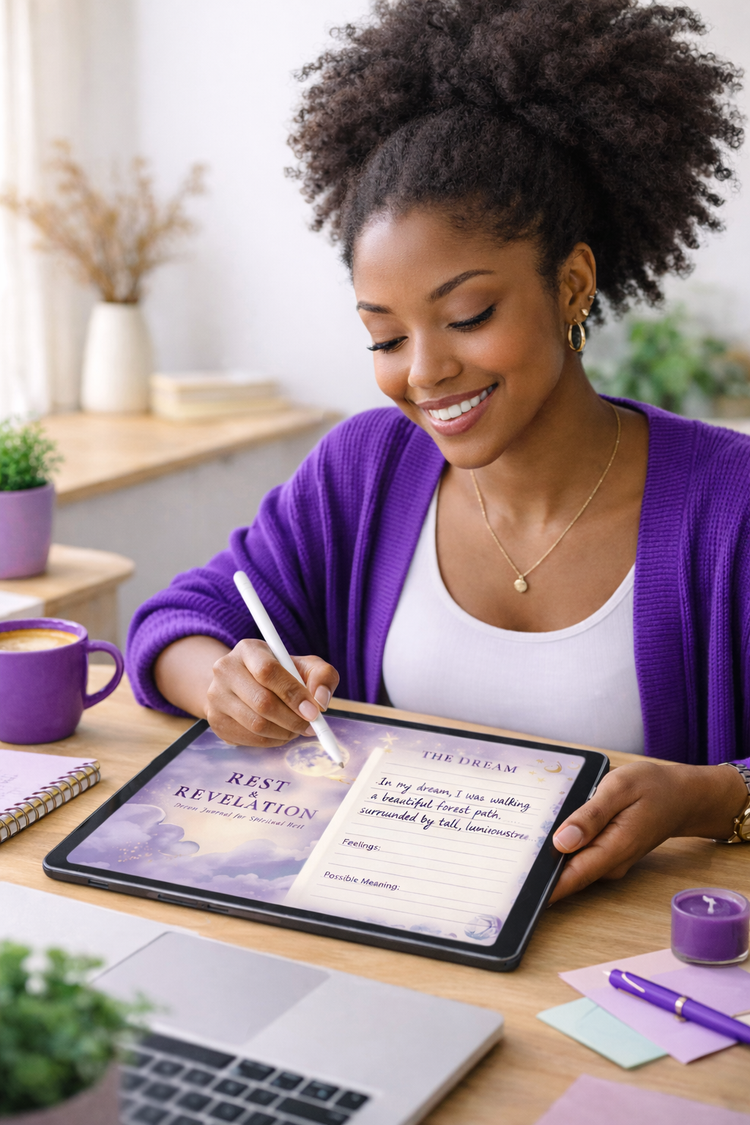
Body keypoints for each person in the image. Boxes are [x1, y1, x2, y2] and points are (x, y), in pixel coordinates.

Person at [127, 0, 750, 902]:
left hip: (632, 989)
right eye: (384, 338)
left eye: (468, 317)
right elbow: (178, 621)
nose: (425, 373)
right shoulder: (365, 469)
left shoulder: (727, 507)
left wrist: (714, 795)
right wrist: (224, 683)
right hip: (392, 946)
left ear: (572, 284)